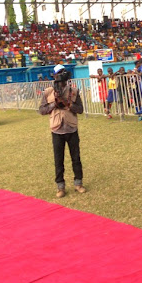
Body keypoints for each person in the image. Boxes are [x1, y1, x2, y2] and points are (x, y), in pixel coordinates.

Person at [38, 64, 86, 198]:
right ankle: (60, 187)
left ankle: (78, 183)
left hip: (71, 128)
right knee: (58, 160)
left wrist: (69, 104)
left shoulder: (74, 91)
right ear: (54, 76)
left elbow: (80, 109)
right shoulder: (48, 92)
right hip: (57, 130)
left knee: (76, 158)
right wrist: (54, 104)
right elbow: (42, 110)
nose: (61, 75)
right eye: (59, 73)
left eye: (63, 72)